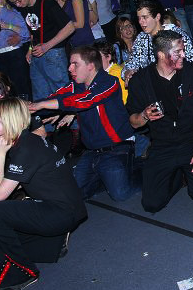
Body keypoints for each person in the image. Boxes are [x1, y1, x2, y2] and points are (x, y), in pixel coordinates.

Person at [0, 97, 87, 290]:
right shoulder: (27, 141)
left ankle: (22, 275)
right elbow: (11, 185)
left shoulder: (26, 148)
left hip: (60, 212)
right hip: (64, 208)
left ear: (9, 120)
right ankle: (52, 245)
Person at [29, 46, 138, 202]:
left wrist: (44, 106)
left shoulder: (109, 82)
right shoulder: (75, 85)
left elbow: (86, 100)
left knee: (120, 194)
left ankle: (146, 169)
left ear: (90, 66)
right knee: (74, 193)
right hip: (93, 151)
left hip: (117, 147)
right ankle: (106, 177)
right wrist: (28, 107)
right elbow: (54, 97)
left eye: (75, 64)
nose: (69, 68)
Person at [127, 31, 193, 213]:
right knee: (152, 204)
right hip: (162, 145)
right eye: (178, 52)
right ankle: (176, 176)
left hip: (192, 142)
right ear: (161, 54)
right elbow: (133, 122)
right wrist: (144, 115)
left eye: (183, 50)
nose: (183, 55)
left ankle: (185, 172)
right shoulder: (141, 81)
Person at [5, 0, 75, 102]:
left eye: (18, 1)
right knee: (40, 96)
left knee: (61, 94)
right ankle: (44, 121)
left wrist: (46, 46)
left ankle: (70, 120)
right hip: (37, 53)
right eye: (14, 3)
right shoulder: (24, 6)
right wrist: (30, 49)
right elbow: (34, 31)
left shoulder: (47, 3)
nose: (18, 5)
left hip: (54, 54)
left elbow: (70, 27)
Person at [122, 0, 193, 75]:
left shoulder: (178, 36)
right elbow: (131, 63)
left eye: (145, 17)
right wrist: (128, 72)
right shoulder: (141, 39)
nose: (140, 22)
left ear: (157, 17)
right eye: (139, 18)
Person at [0, 0, 31, 100]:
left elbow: (26, 32)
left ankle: (27, 113)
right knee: (7, 89)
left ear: (1, 0)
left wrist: (9, 27)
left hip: (14, 54)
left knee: (21, 87)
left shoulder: (11, 14)